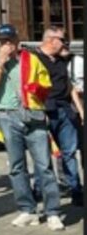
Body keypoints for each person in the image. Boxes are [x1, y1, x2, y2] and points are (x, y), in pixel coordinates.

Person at [0, 23, 64, 230]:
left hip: (33, 114)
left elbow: (46, 85)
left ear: (17, 41)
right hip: (8, 115)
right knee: (17, 166)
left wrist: (35, 90)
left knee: (44, 165)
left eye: (10, 40)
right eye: (3, 41)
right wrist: (0, 63)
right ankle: (27, 209)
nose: (7, 44)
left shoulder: (32, 59)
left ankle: (53, 211)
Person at [35, 26, 83, 207]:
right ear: (51, 40)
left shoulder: (61, 61)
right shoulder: (34, 59)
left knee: (69, 153)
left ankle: (76, 189)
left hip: (64, 110)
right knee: (43, 154)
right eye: (62, 40)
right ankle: (39, 190)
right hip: (45, 110)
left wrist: (80, 110)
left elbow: (70, 87)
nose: (65, 44)